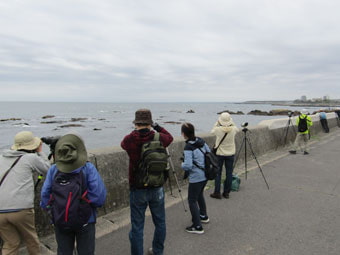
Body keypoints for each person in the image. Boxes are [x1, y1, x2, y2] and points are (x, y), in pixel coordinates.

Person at [40, 134, 106, 255]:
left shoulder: (53, 170)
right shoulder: (88, 168)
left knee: (64, 251)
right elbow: (98, 197)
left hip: (61, 218)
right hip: (86, 219)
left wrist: (53, 210)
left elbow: (45, 196)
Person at [121, 109, 173, 255]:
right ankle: (157, 251)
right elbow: (170, 137)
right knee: (160, 222)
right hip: (157, 186)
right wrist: (157, 127)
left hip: (137, 188)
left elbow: (123, 144)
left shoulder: (130, 139)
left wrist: (136, 132)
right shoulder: (159, 137)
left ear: (136, 123)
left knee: (137, 227)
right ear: (150, 122)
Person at [0, 131, 50, 255]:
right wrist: (40, 151)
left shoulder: (2, 157)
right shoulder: (30, 158)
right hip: (20, 209)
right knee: (31, 240)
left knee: (11, 243)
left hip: (0, 210)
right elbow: (48, 170)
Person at [181, 123, 210, 235]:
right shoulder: (201, 141)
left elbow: (187, 166)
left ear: (183, 134)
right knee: (199, 195)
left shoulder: (188, 147)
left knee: (192, 200)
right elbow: (209, 153)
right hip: (205, 174)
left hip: (196, 177)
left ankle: (197, 226)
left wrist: (181, 164)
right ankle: (203, 215)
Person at [210, 112, 238, 199]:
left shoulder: (218, 130)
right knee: (229, 173)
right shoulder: (234, 129)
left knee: (218, 173)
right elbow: (236, 127)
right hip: (230, 154)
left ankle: (217, 192)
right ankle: (226, 193)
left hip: (220, 154)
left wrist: (217, 123)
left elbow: (212, 132)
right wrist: (230, 122)